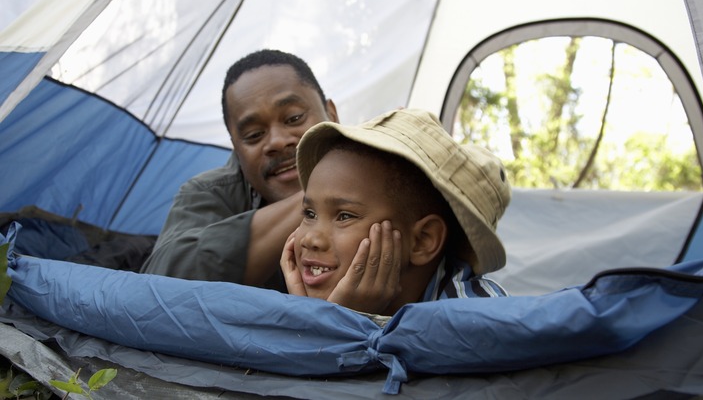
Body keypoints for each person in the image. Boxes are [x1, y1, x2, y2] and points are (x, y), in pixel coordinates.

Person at [280, 108, 511, 315]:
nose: (310, 239)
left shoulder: (477, 320)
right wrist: (309, 316)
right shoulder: (296, 299)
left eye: (344, 216)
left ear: (422, 240)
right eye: (309, 214)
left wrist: (337, 323)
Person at [140, 50, 338, 290]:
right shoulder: (208, 193)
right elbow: (160, 285)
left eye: (294, 118)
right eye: (254, 135)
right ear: (236, 148)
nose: (276, 141)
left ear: (332, 115)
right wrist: (327, 193)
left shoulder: (384, 170)